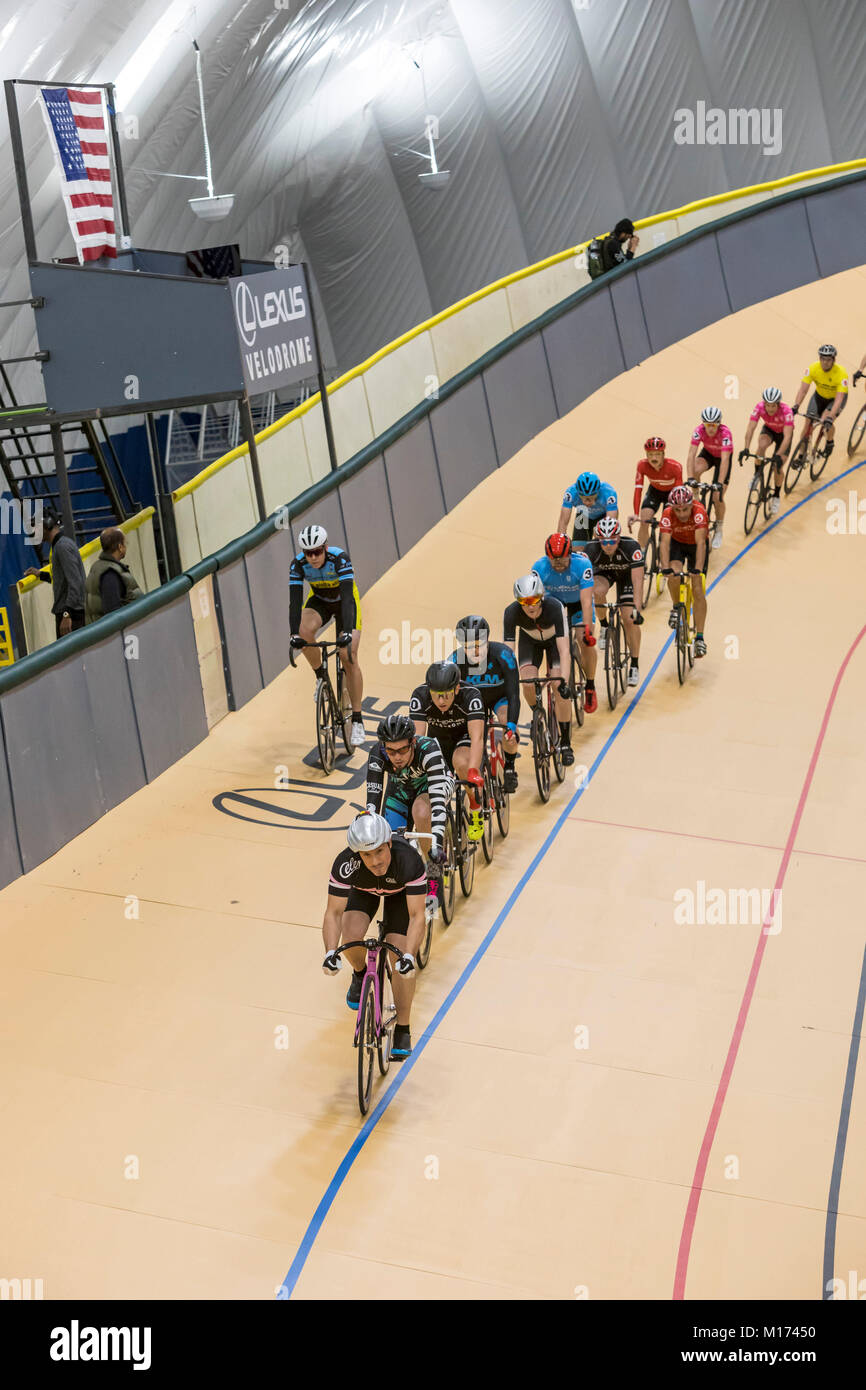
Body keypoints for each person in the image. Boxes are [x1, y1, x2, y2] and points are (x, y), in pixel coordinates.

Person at [322, 813, 425, 1060]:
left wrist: (409, 955)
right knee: (351, 935)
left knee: (397, 957)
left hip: (400, 895)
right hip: (364, 890)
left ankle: (403, 1028)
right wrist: (329, 952)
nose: (375, 861)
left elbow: (417, 916)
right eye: (366, 855)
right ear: (357, 854)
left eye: (379, 851)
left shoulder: (409, 860)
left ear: (389, 843)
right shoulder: (346, 863)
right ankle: (360, 974)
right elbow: (333, 913)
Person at [289, 524, 365, 747]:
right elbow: (295, 602)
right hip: (320, 600)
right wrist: (294, 633)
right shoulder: (298, 564)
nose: (313, 558)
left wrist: (348, 633)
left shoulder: (339, 559)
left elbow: (348, 598)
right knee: (303, 632)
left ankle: (358, 720)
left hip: (345, 603)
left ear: (325, 547)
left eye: (317, 552)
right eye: (308, 553)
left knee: (347, 654)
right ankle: (321, 676)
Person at [503, 573, 574, 764]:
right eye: (524, 602)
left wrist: (564, 682)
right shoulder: (511, 612)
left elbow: (564, 650)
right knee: (526, 682)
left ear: (541, 597)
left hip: (555, 643)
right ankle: (538, 712)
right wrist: (508, 682)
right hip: (530, 642)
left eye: (534, 600)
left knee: (559, 687)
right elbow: (508, 653)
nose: (530, 606)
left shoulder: (554, 607)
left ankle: (566, 742)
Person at [410, 662, 486, 841]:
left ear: (457, 688)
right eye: (436, 696)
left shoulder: (471, 696)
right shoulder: (420, 696)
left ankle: (476, 809)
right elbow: (418, 739)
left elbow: (477, 738)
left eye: (446, 695)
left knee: (461, 762)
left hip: (464, 738)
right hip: (438, 742)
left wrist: (473, 772)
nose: (441, 701)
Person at [365, 713, 449, 871]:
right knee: (392, 845)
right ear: (383, 746)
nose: (397, 757)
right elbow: (372, 803)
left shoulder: (429, 749)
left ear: (413, 742)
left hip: (432, 785)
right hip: (401, 791)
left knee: (421, 811)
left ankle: (433, 870)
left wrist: (436, 842)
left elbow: (437, 801)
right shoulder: (377, 754)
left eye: (403, 749)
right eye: (391, 751)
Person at [448, 615, 522, 793]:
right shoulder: (454, 661)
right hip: (471, 704)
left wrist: (511, 725)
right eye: (467, 647)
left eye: (478, 646)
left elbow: (513, 694)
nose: (473, 651)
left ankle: (510, 767)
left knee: (506, 724)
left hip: (499, 698)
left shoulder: (503, 654)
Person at [532, 533, 598, 713]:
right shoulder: (539, 568)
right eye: (553, 559)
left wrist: (587, 631)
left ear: (570, 554)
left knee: (583, 640)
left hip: (578, 605)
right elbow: (536, 602)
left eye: (562, 558)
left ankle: (590, 686)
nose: (558, 562)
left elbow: (586, 601)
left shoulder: (582, 565)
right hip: (555, 607)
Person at [583, 517, 645, 687]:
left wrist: (637, 611)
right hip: (604, 574)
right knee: (597, 591)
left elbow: (638, 581)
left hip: (627, 578)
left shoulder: (631, 548)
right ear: (598, 539)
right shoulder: (590, 550)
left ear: (619, 538)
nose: (608, 545)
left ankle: (634, 664)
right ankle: (604, 626)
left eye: (612, 540)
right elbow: (584, 584)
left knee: (628, 619)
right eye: (604, 541)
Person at [659, 484, 709, 657]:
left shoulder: (699, 512)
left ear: (691, 504)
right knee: (673, 574)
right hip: (677, 544)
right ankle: (676, 607)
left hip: (696, 546)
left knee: (697, 589)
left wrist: (697, 570)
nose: (681, 514)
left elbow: (701, 543)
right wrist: (665, 568)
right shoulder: (667, 514)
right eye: (677, 510)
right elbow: (664, 543)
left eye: (685, 510)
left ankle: (700, 638)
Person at [23, 508, 86, 639]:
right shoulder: (58, 546)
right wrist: (40, 574)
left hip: (70, 615)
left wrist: (67, 614)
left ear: (47, 524)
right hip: (67, 612)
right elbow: (61, 579)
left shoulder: (62, 547)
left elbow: (75, 582)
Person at [739, 388, 794, 514]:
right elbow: (750, 428)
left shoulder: (787, 412)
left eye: (773, 405)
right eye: (767, 405)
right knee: (761, 445)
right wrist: (746, 448)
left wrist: (779, 455)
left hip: (783, 437)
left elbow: (787, 437)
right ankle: (756, 475)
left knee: (777, 467)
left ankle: (776, 496)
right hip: (769, 430)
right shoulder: (759, 407)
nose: (770, 409)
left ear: (778, 404)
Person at [686, 407, 733, 550]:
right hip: (708, 453)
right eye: (707, 424)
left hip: (722, 458)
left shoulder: (725, 434)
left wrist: (719, 483)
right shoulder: (698, 431)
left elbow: (725, 460)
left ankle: (719, 527)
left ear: (718, 423)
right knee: (695, 469)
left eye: (713, 425)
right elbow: (691, 455)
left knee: (717, 497)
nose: (710, 428)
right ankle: (696, 496)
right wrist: (690, 478)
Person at [791, 344, 849, 458]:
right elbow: (803, 390)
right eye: (822, 359)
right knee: (807, 425)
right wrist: (796, 406)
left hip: (835, 399)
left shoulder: (841, 373)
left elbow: (839, 398)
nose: (825, 362)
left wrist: (831, 417)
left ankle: (830, 442)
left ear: (833, 360)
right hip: (819, 397)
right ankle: (801, 455)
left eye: (828, 360)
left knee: (825, 420)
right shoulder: (813, 368)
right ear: (819, 359)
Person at [628, 436, 683, 551]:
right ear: (646, 455)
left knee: (667, 524)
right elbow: (638, 490)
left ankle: (665, 550)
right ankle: (641, 556)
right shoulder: (642, 465)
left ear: (663, 454)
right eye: (650, 454)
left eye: (657, 454)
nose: (653, 458)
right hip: (655, 492)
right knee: (644, 521)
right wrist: (636, 513)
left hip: (671, 495)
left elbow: (678, 492)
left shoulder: (675, 467)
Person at [84, 527, 143, 619]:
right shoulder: (110, 573)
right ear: (120, 547)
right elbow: (113, 612)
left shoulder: (97, 566)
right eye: (125, 543)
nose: (126, 546)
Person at [558, 471, 618, 546]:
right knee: (578, 548)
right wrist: (560, 546)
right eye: (583, 498)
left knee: (602, 544)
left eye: (591, 498)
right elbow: (563, 523)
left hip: (603, 515)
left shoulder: (609, 493)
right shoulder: (571, 493)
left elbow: (611, 525)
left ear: (598, 492)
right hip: (583, 513)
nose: (587, 502)